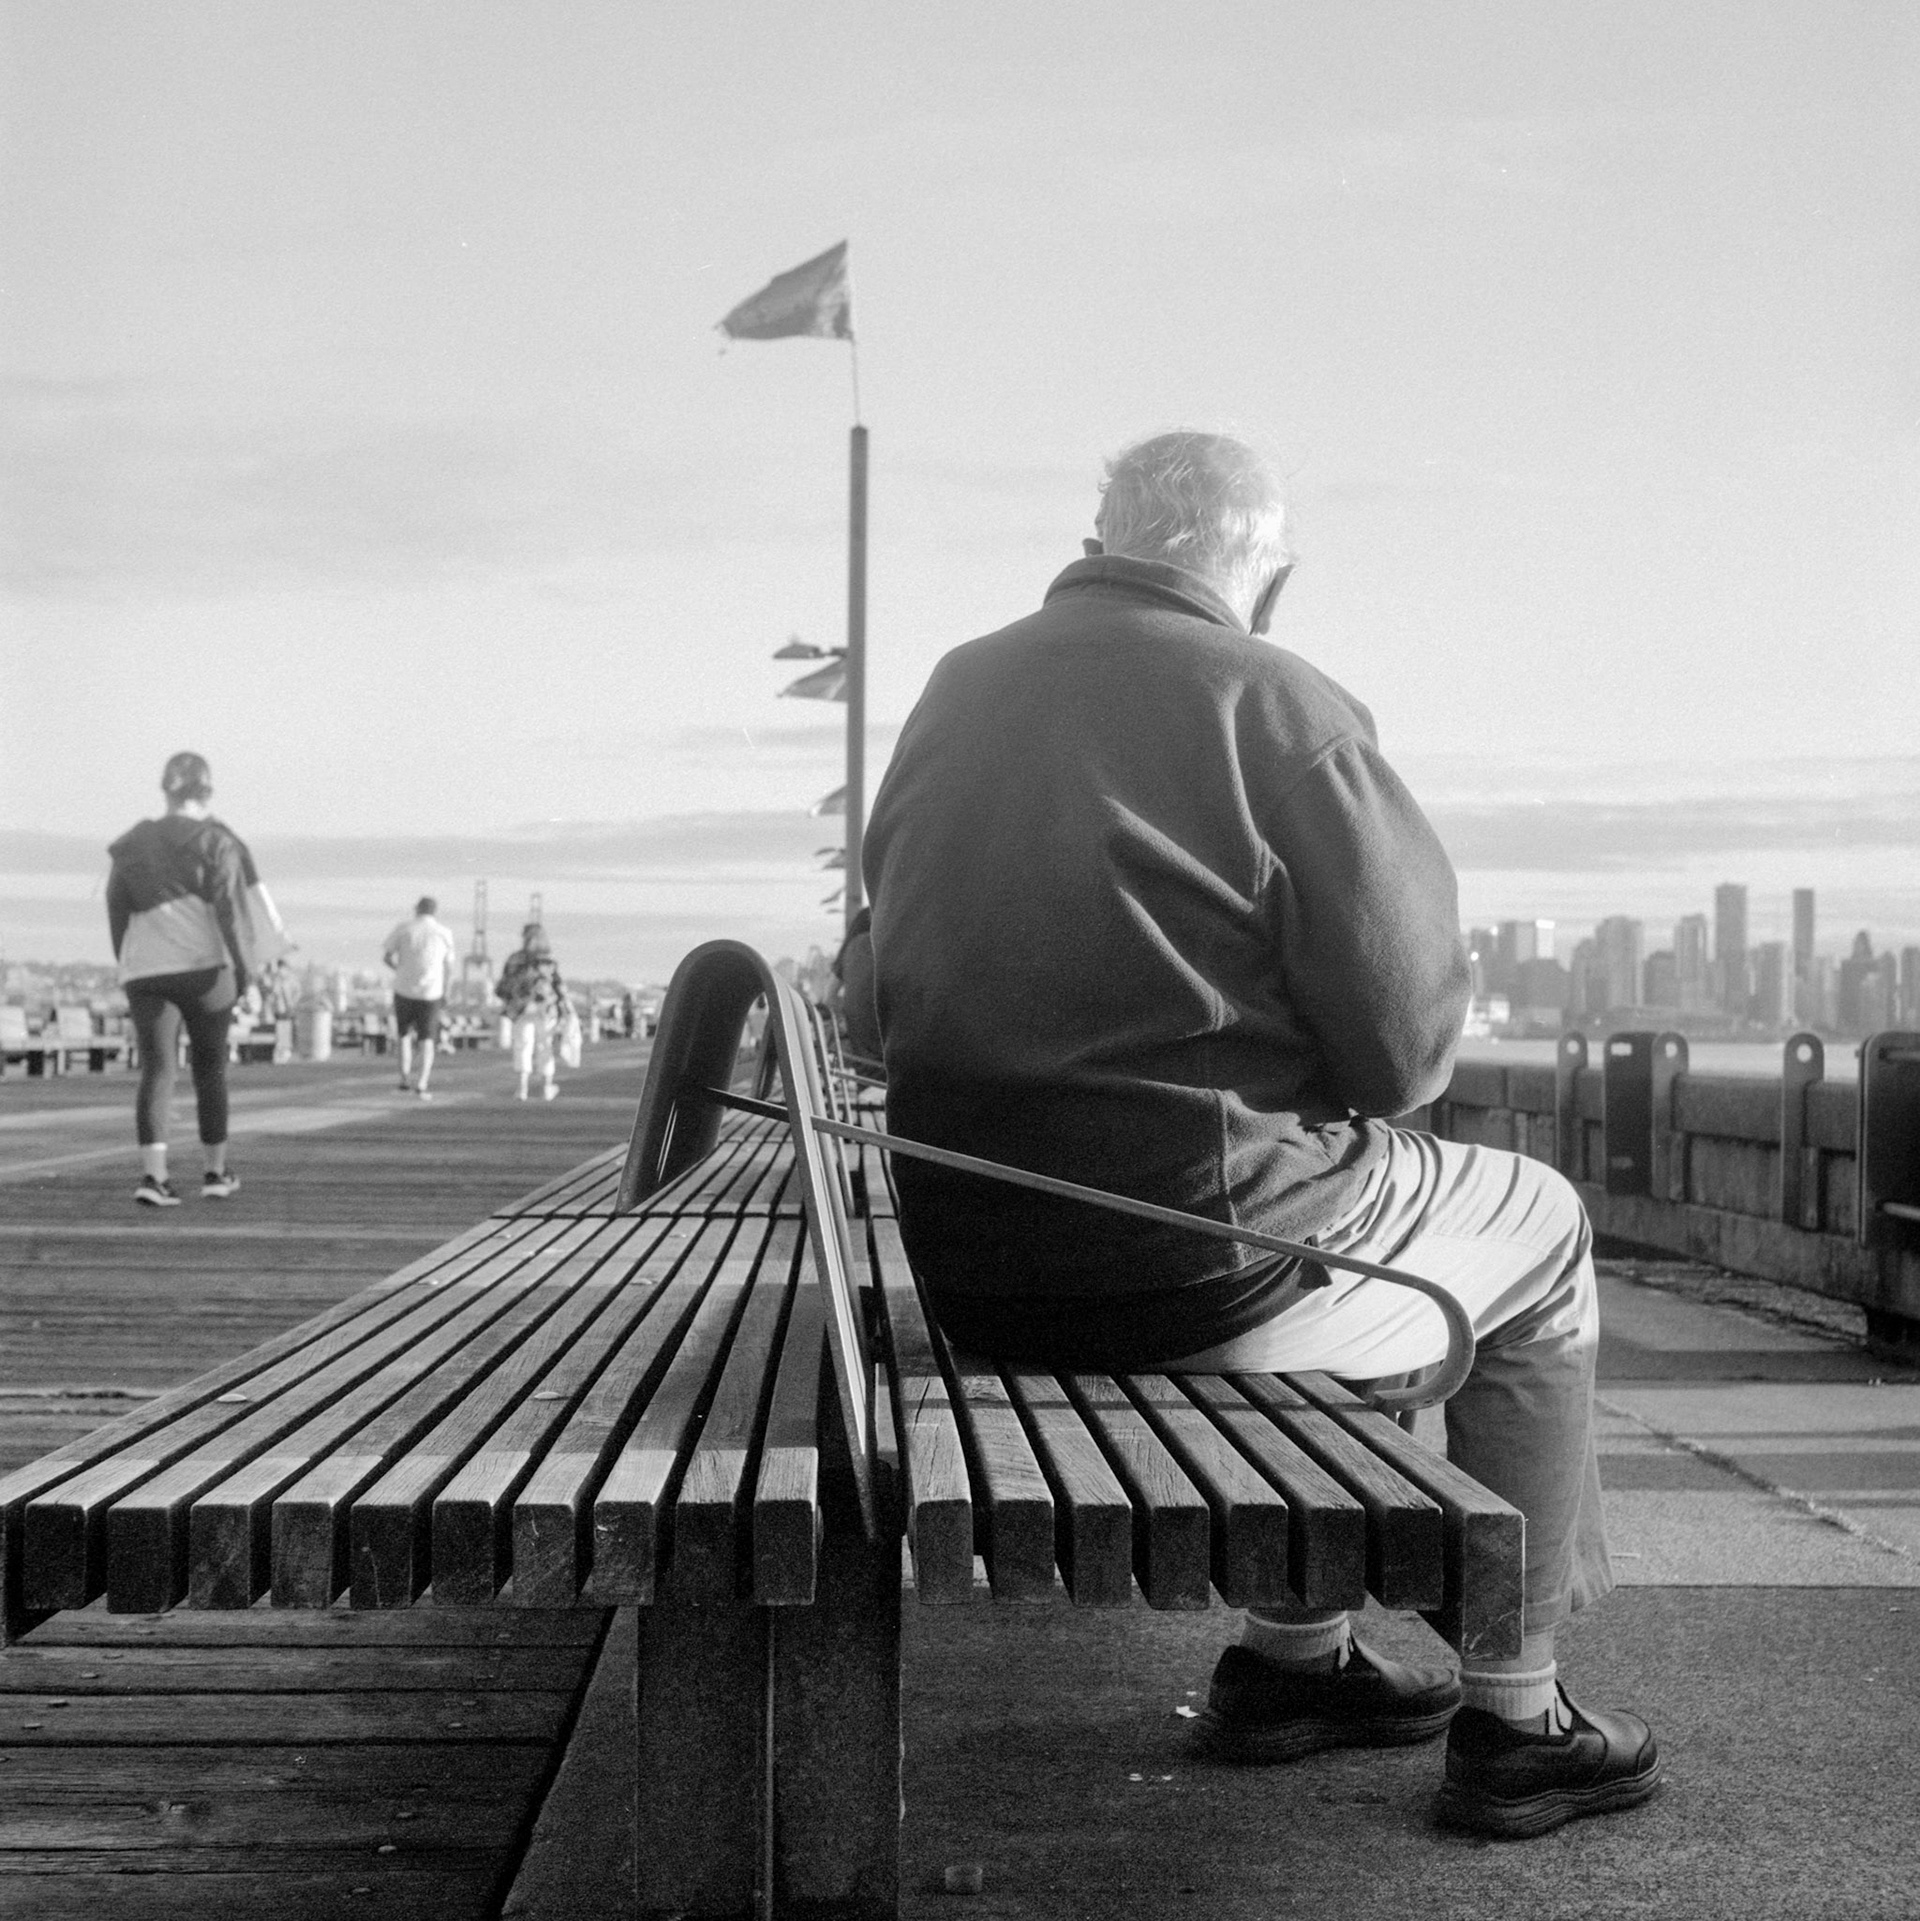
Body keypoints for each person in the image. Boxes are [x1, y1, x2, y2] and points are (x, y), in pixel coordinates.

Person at [862, 431, 1660, 1840]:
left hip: (981, 1269)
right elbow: (1407, 1053)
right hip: (1197, 1271)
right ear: (1269, 581)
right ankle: (1519, 1710)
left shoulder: (955, 689)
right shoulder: (1278, 701)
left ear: (1094, 544)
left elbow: (874, 1000)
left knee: (1337, 1203)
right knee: (1535, 1224)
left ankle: (1297, 1662)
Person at [106, 751, 277, 1206]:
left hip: (146, 970)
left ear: (165, 790)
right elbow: (231, 915)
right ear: (207, 791)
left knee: (157, 1069)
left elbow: (116, 912)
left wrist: (127, 962)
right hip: (205, 972)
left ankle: (154, 1177)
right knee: (210, 1069)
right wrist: (247, 975)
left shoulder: (131, 844)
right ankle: (215, 1173)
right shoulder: (217, 841)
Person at [381, 896, 459, 1099]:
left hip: (403, 989)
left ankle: (404, 1080)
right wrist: (446, 990)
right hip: (431, 992)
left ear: (417, 909)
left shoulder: (404, 928)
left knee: (404, 1035)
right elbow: (449, 967)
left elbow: (387, 956)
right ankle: (422, 1083)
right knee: (427, 1039)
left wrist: (400, 970)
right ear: (435, 911)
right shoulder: (444, 933)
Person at [496, 923, 567, 1101]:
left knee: (523, 1046)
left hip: (521, 1008)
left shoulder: (515, 959)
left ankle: (522, 1088)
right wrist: (564, 1008)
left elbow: (503, 985)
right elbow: (558, 985)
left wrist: (511, 1001)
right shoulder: (548, 959)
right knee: (545, 1046)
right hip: (545, 1008)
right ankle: (546, 1086)